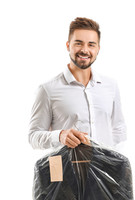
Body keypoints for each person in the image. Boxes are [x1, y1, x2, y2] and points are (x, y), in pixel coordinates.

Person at [28, 17, 127, 151]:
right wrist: (60, 135)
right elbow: (33, 137)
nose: (85, 50)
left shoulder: (111, 86)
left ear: (98, 48)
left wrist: (117, 164)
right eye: (78, 43)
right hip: (66, 170)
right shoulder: (48, 89)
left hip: (105, 169)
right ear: (68, 46)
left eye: (91, 44)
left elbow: (119, 129)